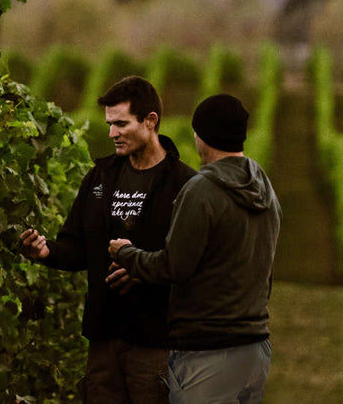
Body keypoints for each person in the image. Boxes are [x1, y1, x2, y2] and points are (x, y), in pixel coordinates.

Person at [19, 75, 198, 403]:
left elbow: (194, 263)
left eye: (121, 124)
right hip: (103, 339)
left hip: (156, 342)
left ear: (150, 121)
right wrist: (46, 251)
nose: (112, 132)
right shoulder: (100, 178)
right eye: (109, 124)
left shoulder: (185, 185)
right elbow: (76, 248)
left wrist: (142, 269)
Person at [108, 93, 281, 404]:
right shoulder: (266, 190)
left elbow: (174, 266)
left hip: (208, 349)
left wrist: (126, 253)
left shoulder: (202, 190)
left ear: (201, 136)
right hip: (255, 347)